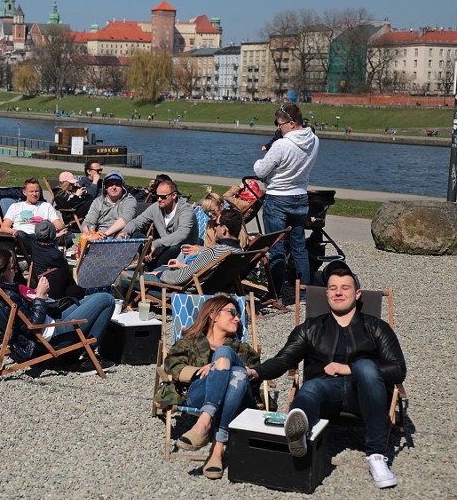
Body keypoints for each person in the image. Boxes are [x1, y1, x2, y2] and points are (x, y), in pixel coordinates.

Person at [248, 261, 405, 489]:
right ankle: (299, 429)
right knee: (312, 387)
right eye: (332, 288)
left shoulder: (377, 328)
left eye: (345, 287)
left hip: (364, 394)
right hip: (325, 394)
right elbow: (285, 360)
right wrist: (256, 371)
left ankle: (376, 456)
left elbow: (398, 369)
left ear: (357, 294)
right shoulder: (311, 328)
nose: (338, 292)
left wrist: (350, 369)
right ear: (326, 294)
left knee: (366, 367)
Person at [157, 295, 261, 479]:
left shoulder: (242, 349)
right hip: (198, 392)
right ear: (213, 314)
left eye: (238, 315)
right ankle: (217, 446)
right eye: (232, 312)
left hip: (238, 397)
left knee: (228, 358)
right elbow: (173, 367)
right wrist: (206, 370)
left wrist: (225, 364)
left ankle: (206, 426)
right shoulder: (189, 343)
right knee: (228, 364)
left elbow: (256, 373)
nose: (237, 318)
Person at [0, 246, 114, 371]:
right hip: (55, 336)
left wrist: (35, 295)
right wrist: (40, 296)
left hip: (50, 325)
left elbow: (26, 319)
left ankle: (78, 353)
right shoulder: (9, 295)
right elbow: (33, 326)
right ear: (2, 271)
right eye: (13, 267)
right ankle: (83, 356)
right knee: (107, 299)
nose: (16, 270)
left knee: (88, 299)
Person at [253, 103, 319, 299]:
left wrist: (259, 162)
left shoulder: (282, 145)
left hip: (278, 197)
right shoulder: (314, 140)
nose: (277, 128)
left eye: (279, 123)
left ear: (291, 123)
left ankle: (276, 292)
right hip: (299, 196)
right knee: (299, 246)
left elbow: (260, 170)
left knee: (276, 248)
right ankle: (304, 292)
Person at [137, 208, 245, 288]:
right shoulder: (239, 252)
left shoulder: (214, 252)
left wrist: (159, 274)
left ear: (224, 229)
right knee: (162, 268)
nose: (215, 228)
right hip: (210, 287)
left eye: (217, 225)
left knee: (127, 277)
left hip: (184, 288)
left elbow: (179, 278)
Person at [118, 180, 198, 268]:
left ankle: (149, 268)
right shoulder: (156, 207)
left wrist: (155, 244)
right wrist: (124, 232)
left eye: (163, 197)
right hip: (162, 246)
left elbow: (182, 234)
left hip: (182, 252)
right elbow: (137, 222)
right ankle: (146, 261)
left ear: (174, 195)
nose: (159, 199)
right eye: (157, 196)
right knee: (136, 235)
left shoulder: (186, 211)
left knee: (175, 248)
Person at [0, 178, 64, 254]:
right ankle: (40, 250)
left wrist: (50, 232)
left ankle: (39, 249)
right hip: (23, 237)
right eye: (31, 191)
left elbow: (59, 225)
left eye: (37, 191)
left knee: (68, 236)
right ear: (24, 192)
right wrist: (14, 232)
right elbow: (3, 228)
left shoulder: (46, 206)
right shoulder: (15, 206)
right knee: (21, 235)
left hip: (41, 237)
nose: (34, 194)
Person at [31, 220, 83, 300]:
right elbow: (65, 270)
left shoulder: (34, 245)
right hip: (51, 287)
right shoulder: (55, 254)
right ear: (52, 234)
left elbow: (46, 244)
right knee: (75, 289)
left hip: (38, 281)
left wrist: (57, 236)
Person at [82, 172, 137, 238]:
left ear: (122, 187)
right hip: (99, 237)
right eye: (110, 184)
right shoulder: (98, 202)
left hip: (120, 236)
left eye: (117, 184)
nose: (114, 187)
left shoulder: (129, 200)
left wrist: (105, 234)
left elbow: (126, 219)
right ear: (105, 187)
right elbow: (88, 222)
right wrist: (92, 234)